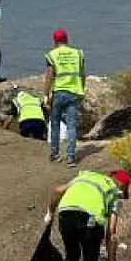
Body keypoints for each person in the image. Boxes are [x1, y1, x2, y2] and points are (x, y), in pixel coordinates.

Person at [44, 28, 86, 165]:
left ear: (55, 41)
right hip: (74, 92)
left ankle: (55, 154)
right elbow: (82, 75)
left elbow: (49, 75)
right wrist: (82, 90)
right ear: (67, 40)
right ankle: (70, 157)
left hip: (59, 93)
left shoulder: (52, 54)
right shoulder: (78, 54)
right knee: (71, 126)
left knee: (55, 123)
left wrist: (46, 94)